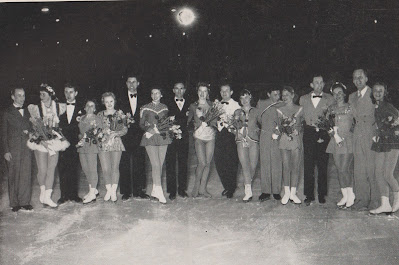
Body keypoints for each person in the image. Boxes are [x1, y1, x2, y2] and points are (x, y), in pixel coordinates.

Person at [27, 84, 67, 208]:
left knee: (51, 170)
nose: (41, 97)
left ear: (50, 95)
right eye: (40, 94)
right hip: (41, 142)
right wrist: (40, 138)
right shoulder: (36, 108)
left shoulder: (59, 107)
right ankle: (43, 191)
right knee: (43, 170)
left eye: (43, 94)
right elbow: (34, 126)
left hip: (54, 142)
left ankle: (48, 197)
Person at [299, 74, 334, 205]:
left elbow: (332, 117)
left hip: (323, 133)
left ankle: (322, 194)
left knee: (323, 165)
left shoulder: (330, 99)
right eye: (316, 83)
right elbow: (300, 117)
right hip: (309, 132)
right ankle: (308, 195)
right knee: (308, 165)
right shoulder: (303, 99)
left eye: (321, 83)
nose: (318, 85)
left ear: (324, 85)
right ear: (311, 85)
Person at [348, 69, 379, 210]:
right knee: (359, 169)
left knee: (372, 169)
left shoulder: (374, 93)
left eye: (360, 77)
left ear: (366, 78)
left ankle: (375, 201)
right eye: (355, 78)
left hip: (371, 134)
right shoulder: (351, 96)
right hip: (357, 135)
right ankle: (361, 199)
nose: (358, 80)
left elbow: (382, 113)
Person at [118, 74, 150, 201]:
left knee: (140, 162)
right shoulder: (119, 99)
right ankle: (126, 191)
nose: (131, 84)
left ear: (138, 84)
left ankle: (139, 190)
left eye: (134, 82)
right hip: (124, 135)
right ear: (126, 84)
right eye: (129, 82)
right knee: (124, 162)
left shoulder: (145, 99)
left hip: (140, 134)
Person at [369, 82, 399, 214]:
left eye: (381, 91)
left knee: (387, 174)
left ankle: (398, 198)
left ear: (385, 92)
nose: (378, 93)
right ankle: (385, 204)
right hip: (380, 142)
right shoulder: (375, 106)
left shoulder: (388, 106)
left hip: (392, 142)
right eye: (375, 90)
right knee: (378, 173)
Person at [2, 87, 33, 212]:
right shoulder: (6, 112)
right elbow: (3, 133)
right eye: (19, 95)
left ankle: (25, 201)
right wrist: (6, 151)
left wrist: (30, 132)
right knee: (13, 175)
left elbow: (31, 128)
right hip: (13, 149)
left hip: (26, 148)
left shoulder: (27, 112)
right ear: (13, 97)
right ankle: (14, 203)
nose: (22, 98)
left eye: (23, 95)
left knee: (26, 174)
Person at [325, 82, 355, 208]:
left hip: (348, 141)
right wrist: (333, 134)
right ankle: (345, 195)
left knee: (344, 168)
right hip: (335, 141)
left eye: (340, 93)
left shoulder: (351, 107)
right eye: (335, 93)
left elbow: (356, 123)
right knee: (339, 169)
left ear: (344, 93)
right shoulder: (331, 109)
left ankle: (351, 195)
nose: (338, 95)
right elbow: (327, 124)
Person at [139, 87, 172, 204]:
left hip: (163, 137)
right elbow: (142, 124)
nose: (155, 95)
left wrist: (163, 128)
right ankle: (159, 191)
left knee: (159, 165)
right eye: (152, 93)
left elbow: (167, 122)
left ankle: (154, 190)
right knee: (156, 164)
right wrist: (151, 129)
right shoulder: (145, 107)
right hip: (150, 137)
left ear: (161, 95)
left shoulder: (165, 107)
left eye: (157, 93)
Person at [275, 86, 304, 204]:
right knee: (286, 166)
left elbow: (303, 124)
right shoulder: (279, 109)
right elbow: (279, 125)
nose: (284, 97)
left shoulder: (300, 108)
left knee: (295, 167)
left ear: (293, 95)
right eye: (283, 95)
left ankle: (293, 193)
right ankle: (286, 193)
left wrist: (299, 130)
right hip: (284, 139)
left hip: (296, 139)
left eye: (287, 94)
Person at [97, 92, 128, 202]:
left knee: (115, 167)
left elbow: (125, 129)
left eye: (111, 101)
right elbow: (97, 128)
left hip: (116, 142)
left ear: (114, 101)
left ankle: (113, 192)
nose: (109, 104)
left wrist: (116, 133)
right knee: (105, 169)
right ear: (103, 102)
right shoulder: (100, 114)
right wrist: (104, 131)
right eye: (106, 102)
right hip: (103, 143)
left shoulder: (120, 114)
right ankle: (108, 190)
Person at [187, 82, 216, 198]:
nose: (202, 93)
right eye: (200, 91)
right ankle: (196, 187)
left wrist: (210, 123)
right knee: (202, 162)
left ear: (208, 92)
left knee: (208, 163)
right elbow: (188, 122)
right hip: (199, 137)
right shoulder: (193, 106)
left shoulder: (213, 105)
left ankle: (202, 189)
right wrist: (198, 123)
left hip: (210, 137)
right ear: (197, 92)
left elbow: (215, 121)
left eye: (205, 91)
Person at [57, 83, 83, 204]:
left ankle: (73, 194)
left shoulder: (82, 108)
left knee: (74, 167)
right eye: (66, 92)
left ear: (76, 93)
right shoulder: (59, 107)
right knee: (62, 167)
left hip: (75, 142)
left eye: (71, 92)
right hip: (62, 141)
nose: (68, 94)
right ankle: (63, 195)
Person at [214, 83, 241, 198]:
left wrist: (231, 122)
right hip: (219, 134)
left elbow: (238, 121)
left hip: (231, 135)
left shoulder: (236, 105)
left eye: (227, 91)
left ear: (231, 92)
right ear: (220, 93)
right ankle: (226, 185)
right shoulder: (216, 105)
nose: (224, 93)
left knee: (231, 161)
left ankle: (231, 187)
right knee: (219, 161)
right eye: (222, 91)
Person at [257, 88, 284, 201]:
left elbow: (285, 120)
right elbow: (258, 119)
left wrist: (279, 130)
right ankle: (266, 191)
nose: (277, 96)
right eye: (274, 94)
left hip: (278, 136)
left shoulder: (282, 104)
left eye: (278, 94)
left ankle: (276, 191)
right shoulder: (262, 103)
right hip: (265, 135)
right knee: (265, 162)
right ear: (268, 94)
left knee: (277, 162)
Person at [233, 89, 260, 202]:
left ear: (250, 97)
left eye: (246, 97)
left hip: (253, 141)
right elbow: (233, 126)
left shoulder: (256, 111)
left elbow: (262, 124)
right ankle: (248, 190)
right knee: (244, 165)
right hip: (241, 140)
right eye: (242, 98)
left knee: (253, 165)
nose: (244, 100)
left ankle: (248, 182)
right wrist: (236, 130)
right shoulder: (237, 112)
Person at [165, 82, 190, 200]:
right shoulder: (167, 104)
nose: (179, 91)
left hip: (184, 138)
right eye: (177, 89)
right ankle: (172, 190)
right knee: (170, 163)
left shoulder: (190, 105)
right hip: (170, 137)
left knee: (183, 163)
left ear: (184, 90)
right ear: (173, 90)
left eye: (181, 89)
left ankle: (182, 189)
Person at [77, 99, 102, 204]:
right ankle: (93, 189)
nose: (90, 108)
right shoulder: (81, 118)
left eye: (92, 106)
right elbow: (79, 132)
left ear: (95, 108)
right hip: (82, 146)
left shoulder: (97, 119)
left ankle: (92, 194)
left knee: (92, 169)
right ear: (84, 107)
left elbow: (100, 132)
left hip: (92, 145)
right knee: (85, 168)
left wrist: (96, 135)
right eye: (88, 105)